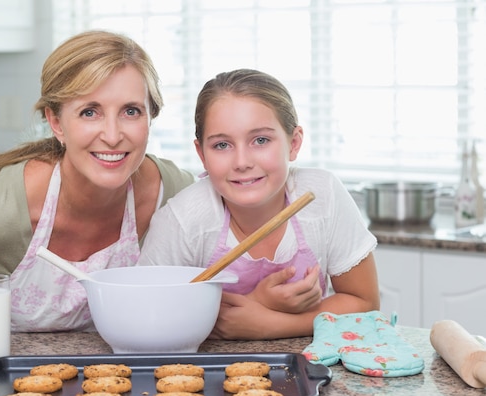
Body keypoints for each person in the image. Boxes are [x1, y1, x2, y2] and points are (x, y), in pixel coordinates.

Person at [0, 30, 195, 349]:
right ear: (57, 123)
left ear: (150, 118)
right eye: (90, 112)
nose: (113, 135)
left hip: (104, 374)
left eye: (131, 111)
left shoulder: (170, 194)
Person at [138, 68, 380, 339]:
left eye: (261, 140)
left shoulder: (323, 194)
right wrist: (258, 301)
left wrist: (272, 322)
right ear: (201, 154)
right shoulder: (182, 219)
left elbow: (364, 304)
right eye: (221, 145)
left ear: (294, 143)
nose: (242, 162)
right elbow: (150, 316)